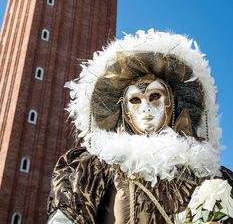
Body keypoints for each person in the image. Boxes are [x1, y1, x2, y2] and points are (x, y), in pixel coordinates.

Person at [47, 30, 233, 224]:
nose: (145, 108)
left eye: (154, 97)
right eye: (135, 100)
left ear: (172, 104)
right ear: (125, 112)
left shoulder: (216, 178)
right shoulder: (92, 168)